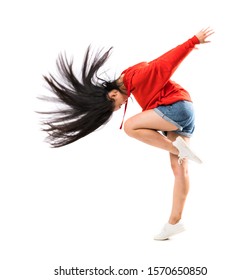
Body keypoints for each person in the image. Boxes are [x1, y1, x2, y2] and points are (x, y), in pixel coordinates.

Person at [39, 27, 214, 240]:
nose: (121, 106)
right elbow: (155, 70)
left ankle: (180, 149)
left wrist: (192, 41)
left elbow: (163, 65)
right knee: (179, 170)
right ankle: (173, 223)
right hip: (182, 113)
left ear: (113, 94)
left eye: (115, 106)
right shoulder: (129, 78)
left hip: (175, 108)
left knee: (130, 126)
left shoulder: (136, 78)